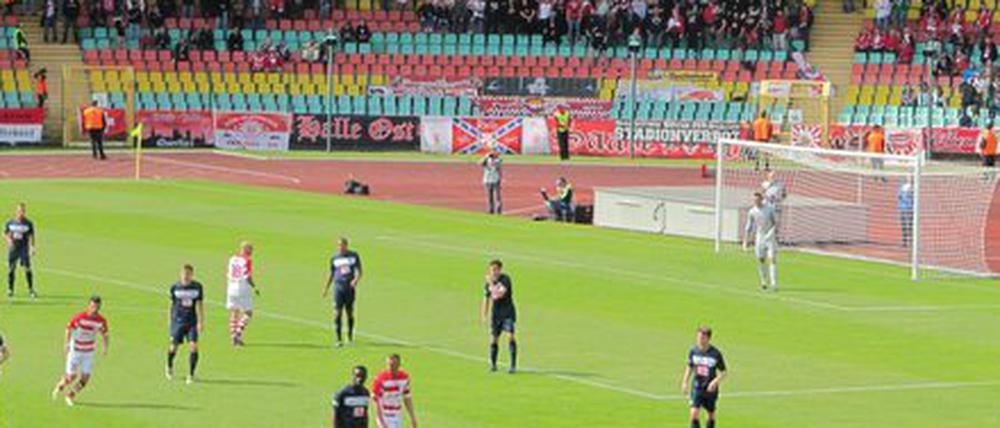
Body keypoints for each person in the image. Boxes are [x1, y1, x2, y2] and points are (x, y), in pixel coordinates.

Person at [51, 296, 110, 406]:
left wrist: (105, 347)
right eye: (93, 306)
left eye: (97, 307)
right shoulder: (80, 317)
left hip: (88, 352)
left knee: (85, 377)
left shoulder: (101, 321)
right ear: (89, 305)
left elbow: (105, 334)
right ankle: (59, 387)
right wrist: (67, 344)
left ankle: (70, 396)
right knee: (71, 377)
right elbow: (69, 328)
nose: (95, 309)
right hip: (76, 351)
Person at [680, 326, 727, 428]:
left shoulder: (715, 354)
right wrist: (685, 382)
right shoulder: (693, 351)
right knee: (694, 413)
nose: (699, 340)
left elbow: (723, 372)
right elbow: (690, 366)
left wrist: (715, 382)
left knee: (711, 415)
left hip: (710, 389)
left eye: (702, 338)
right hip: (697, 386)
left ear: (708, 338)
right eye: (698, 337)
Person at [166, 264, 204, 384]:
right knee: (174, 347)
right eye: (184, 274)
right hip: (178, 321)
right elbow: (171, 305)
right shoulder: (175, 287)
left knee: (194, 346)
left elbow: (199, 304)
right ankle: (169, 366)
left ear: (192, 275)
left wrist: (201, 321)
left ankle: (191, 374)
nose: (186, 276)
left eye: (188, 274)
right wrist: (169, 320)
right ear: (180, 274)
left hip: (192, 322)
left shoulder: (197, 287)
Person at [323, 237, 362, 347]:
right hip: (338, 287)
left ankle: (350, 338)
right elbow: (331, 273)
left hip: (349, 288)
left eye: (342, 245)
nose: (341, 247)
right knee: (337, 313)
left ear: (346, 245)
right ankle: (338, 339)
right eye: (339, 245)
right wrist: (326, 288)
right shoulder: (334, 258)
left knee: (349, 312)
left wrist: (355, 280)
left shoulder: (353, 256)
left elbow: (359, 271)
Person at [481, 259, 517, 373]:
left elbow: (497, 295)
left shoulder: (506, 279)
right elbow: (486, 298)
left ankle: (512, 365)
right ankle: (493, 364)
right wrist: (484, 314)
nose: (493, 272)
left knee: (510, 336)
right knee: (494, 339)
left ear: (500, 270)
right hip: (496, 314)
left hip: (508, 312)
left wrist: (491, 283)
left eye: (495, 269)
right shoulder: (488, 283)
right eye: (492, 270)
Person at [742, 192, 778, 291]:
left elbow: (776, 222)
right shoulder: (752, 212)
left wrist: (771, 233)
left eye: (757, 200)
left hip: (770, 237)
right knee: (761, 260)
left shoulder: (769, 209)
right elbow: (748, 227)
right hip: (760, 237)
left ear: (761, 199)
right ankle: (764, 281)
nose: (756, 202)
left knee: (772, 259)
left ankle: (774, 283)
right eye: (754, 200)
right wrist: (746, 241)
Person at [226, 241, 259, 346]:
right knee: (248, 313)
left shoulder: (232, 258)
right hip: (242, 287)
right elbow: (247, 276)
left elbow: (228, 273)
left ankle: (232, 336)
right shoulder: (247, 260)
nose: (251, 252)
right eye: (250, 249)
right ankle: (238, 334)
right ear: (245, 249)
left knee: (234, 312)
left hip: (231, 287)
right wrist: (254, 287)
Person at [372, 354, 418, 428]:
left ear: (399, 365)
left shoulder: (404, 377)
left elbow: (407, 398)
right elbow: (375, 400)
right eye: (389, 365)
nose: (391, 368)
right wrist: (381, 421)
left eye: (393, 365)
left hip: (398, 416)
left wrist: (412, 417)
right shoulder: (380, 379)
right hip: (385, 416)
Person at [5, 203, 36, 298]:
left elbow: (31, 236)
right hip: (13, 249)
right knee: (11, 269)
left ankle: (31, 290)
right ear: (16, 211)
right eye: (19, 211)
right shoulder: (10, 223)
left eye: (22, 211)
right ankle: (10, 289)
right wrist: (9, 241)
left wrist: (32, 247)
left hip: (23, 249)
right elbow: (6, 233)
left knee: (27, 269)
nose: (21, 213)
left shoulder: (28, 223)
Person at [481, 149, 503, 215]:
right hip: (487, 179)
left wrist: (500, 178)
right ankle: (491, 209)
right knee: (490, 196)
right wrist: (486, 157)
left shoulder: (498, 160)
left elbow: (497, 167)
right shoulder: (487, 159)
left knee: (497, 196)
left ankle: (499, 209)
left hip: (495, 179)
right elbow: (480, 163)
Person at [897, 180, 914, 248]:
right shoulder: (902, 188)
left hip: (910, 209)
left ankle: (911, 242)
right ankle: (905, 242)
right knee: (904, 226)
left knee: (910, 226)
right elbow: (899, 197)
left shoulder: (913, 188)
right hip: (903, 208)